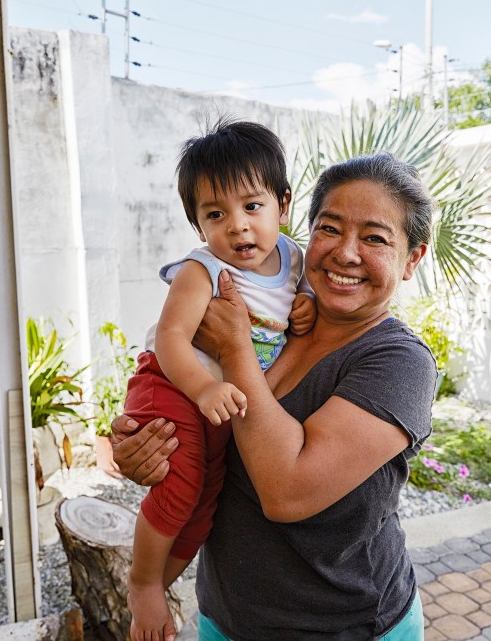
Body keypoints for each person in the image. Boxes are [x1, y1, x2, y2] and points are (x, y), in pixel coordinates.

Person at [113, 151, 438, 640]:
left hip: (342, 627)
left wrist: (235, 343)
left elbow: (288, 492)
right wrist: (152, 448)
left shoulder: (398, 362)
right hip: (226, 617)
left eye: (374, 238)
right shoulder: (277, 316)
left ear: (412, 257)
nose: (346, 253)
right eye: (329, 229)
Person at [123, 119, 316, 641]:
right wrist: (203, 388)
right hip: (174, 385)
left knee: (205, 508)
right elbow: (170, 339)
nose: (237, 226)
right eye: (215, 214)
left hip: (222, 403)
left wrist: (300, 315)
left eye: (252, 206)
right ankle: (141, 584)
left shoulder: (296, 259)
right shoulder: (201, 270)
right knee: (181, 489)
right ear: (198, 225)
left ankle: (157, 589)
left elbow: (298, 313)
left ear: (283, 203)